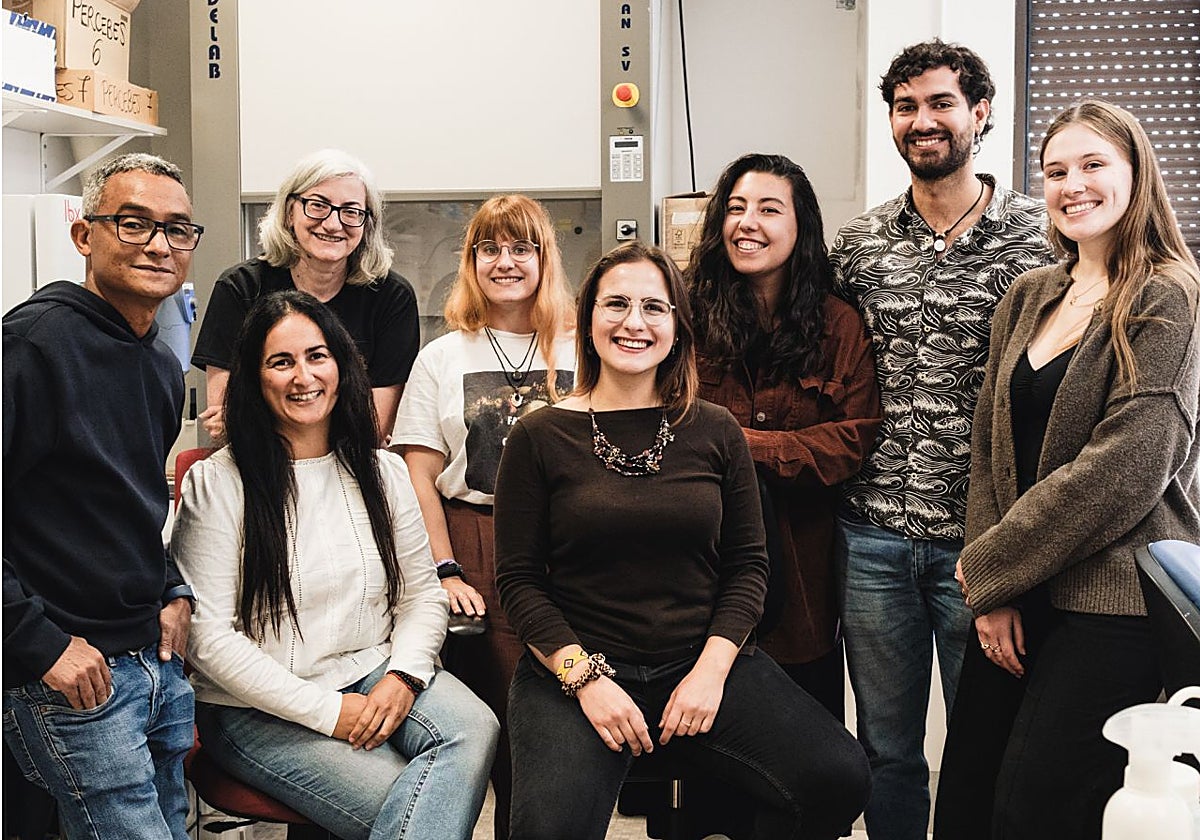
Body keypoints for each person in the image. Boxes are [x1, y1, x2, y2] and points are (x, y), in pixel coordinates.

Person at [494, 240, 871, 840]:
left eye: (654, 307)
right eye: (616, 304)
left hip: (699, 660)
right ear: (587, 320)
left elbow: (749, 567)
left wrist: (710, 673)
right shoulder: (538, 436)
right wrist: (585, 681)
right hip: (579, 670)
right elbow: (517, 582)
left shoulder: (715, 429)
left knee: (838, 777)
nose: (634, 322)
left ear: (677, 328)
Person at [935, 100, 1200, 840]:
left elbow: (1131, 464)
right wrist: (995, 592)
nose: (1072, 185)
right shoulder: (1029, 295)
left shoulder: (1169, 295)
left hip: (1112, 600)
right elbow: (990, 448)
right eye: (1055, 171)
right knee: (966, 802)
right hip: (1016, 592)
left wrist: (988, 568)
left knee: (1036, 810)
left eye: (1093, 165)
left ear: (1136, 173)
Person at [828, 40, 1056, 840]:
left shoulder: (1041, 236)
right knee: (886, 751)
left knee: (984, 745)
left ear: (979, 113)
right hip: (871, 537)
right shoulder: (857, 246)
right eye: (906, 107)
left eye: (940, 103)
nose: (922, 121)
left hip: (985, 544)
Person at [173, 291, 498, 840]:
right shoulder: (219, 482)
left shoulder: (383, 472)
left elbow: (421, 595)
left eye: (317, 356)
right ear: (255, 378)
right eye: (281, 362)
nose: (304, 377)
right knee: (410, 803)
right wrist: (328, 712)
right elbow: (208, 639)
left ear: (341, 365)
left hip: (371, 667)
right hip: (253, 707)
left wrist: (404, 675)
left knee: (474, 728)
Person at [3, 153, 200, 839]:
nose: (159, 244)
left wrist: (172, 588)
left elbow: (126, 503)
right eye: (134, 223)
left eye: (177, 228)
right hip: (69, 673)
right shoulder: (31, 348)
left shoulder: (161, 364)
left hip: (151, 665)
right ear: (85, 235)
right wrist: (39, 644)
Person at [392, 194, 575, 839]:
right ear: (470, 262)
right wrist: (443, 569)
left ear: (544, 259)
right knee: (495, 728)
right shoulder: (443, 356)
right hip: (473, 542)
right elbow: (418, 473)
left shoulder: (582, 346)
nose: (505, 262)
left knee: (559, 734)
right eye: (489, 249)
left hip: (569, 548)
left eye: (522, 248)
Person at [687, 152, 881, 720]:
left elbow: (853, 438)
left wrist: (736, 444)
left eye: (769, 209)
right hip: (697, 571)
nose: (748, 223)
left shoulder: (838, 324)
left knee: (809, 741)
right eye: (736, 208)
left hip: (801, 575)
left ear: (801, 227)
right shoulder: (686, 317)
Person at [191, 148, 419, 444]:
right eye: (318, 205)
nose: (333, 224)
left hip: (350, 465)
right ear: (289, 213)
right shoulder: (240, 288)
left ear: (367, 224)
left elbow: (373, 427)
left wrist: (263, 415)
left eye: (351, 212)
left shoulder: (391, 297)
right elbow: (226, 421)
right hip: (258, 465)